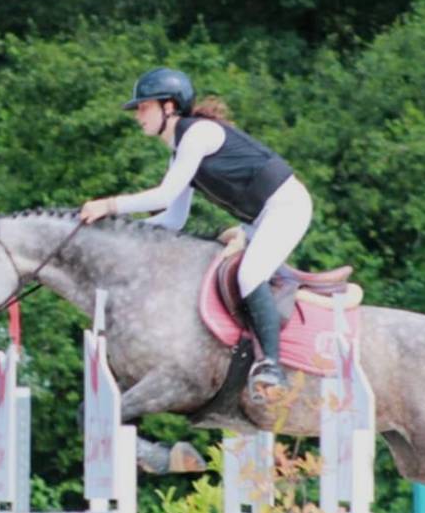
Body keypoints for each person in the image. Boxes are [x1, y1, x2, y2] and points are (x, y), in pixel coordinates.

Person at [80, 67, 313, 402]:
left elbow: (162, 196)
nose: (137, 115)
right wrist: (120, 234)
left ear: (169, 107)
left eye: (143, 107)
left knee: (249, 274)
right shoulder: (181, 150)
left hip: (286, 207)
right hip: (260, 218)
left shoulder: (198, 135)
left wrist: (109, 206)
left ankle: (272, 365)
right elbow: (174, 218)